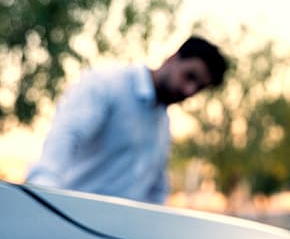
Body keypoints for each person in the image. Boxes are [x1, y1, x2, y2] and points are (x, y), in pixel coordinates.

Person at [26, 35, 227, 203]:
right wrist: (42, 198)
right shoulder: (108, 84)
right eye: (189, 76)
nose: (189, 90)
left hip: (118, 238)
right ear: (173, 58)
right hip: (70, 224)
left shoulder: (163, 124)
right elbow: (66, 136)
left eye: (199, 88)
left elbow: (156, 189)